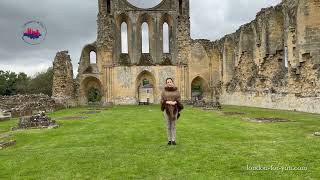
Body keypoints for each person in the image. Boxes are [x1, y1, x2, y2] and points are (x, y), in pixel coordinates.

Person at [160, 78, 183, 145]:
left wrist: (175, 102)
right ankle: (169, 140)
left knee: (173, 125)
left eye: (170, 82)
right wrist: (167, 101)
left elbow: (179, 99)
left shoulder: (177, 91)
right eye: (168, 82)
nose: (169, 83)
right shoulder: (164, 91)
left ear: (172, 82)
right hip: (166, 109)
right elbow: (162, 100)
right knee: (168, 125)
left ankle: (173, 140)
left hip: (174, 109)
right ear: (166, 83)